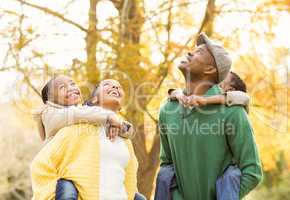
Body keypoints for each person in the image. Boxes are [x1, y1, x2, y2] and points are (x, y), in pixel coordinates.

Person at [157, 32, 263, 200]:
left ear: (210, 69)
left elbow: (252, 172)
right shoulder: (167, 110)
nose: (190, 52)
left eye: (199, 52)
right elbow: (167, 166)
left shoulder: (232, 112)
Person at [31, 78, 145, 200]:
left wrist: (119, 124)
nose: (115, 88)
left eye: (73, 84)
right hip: (61, 177)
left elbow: (129, 133)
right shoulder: (57, 117)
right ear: (94, 100)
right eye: (62, 88)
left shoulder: (121, 139)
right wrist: (109, 117)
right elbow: (79, 114)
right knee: (67, 189)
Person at [155, 71, 249, 200]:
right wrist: (177, 94)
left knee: (233, 174)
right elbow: (167, 161)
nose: (213, 82)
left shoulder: (235, 109)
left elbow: (243, 97)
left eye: (220, 82)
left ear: (230, 90)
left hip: (225, 187)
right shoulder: (174, 110)